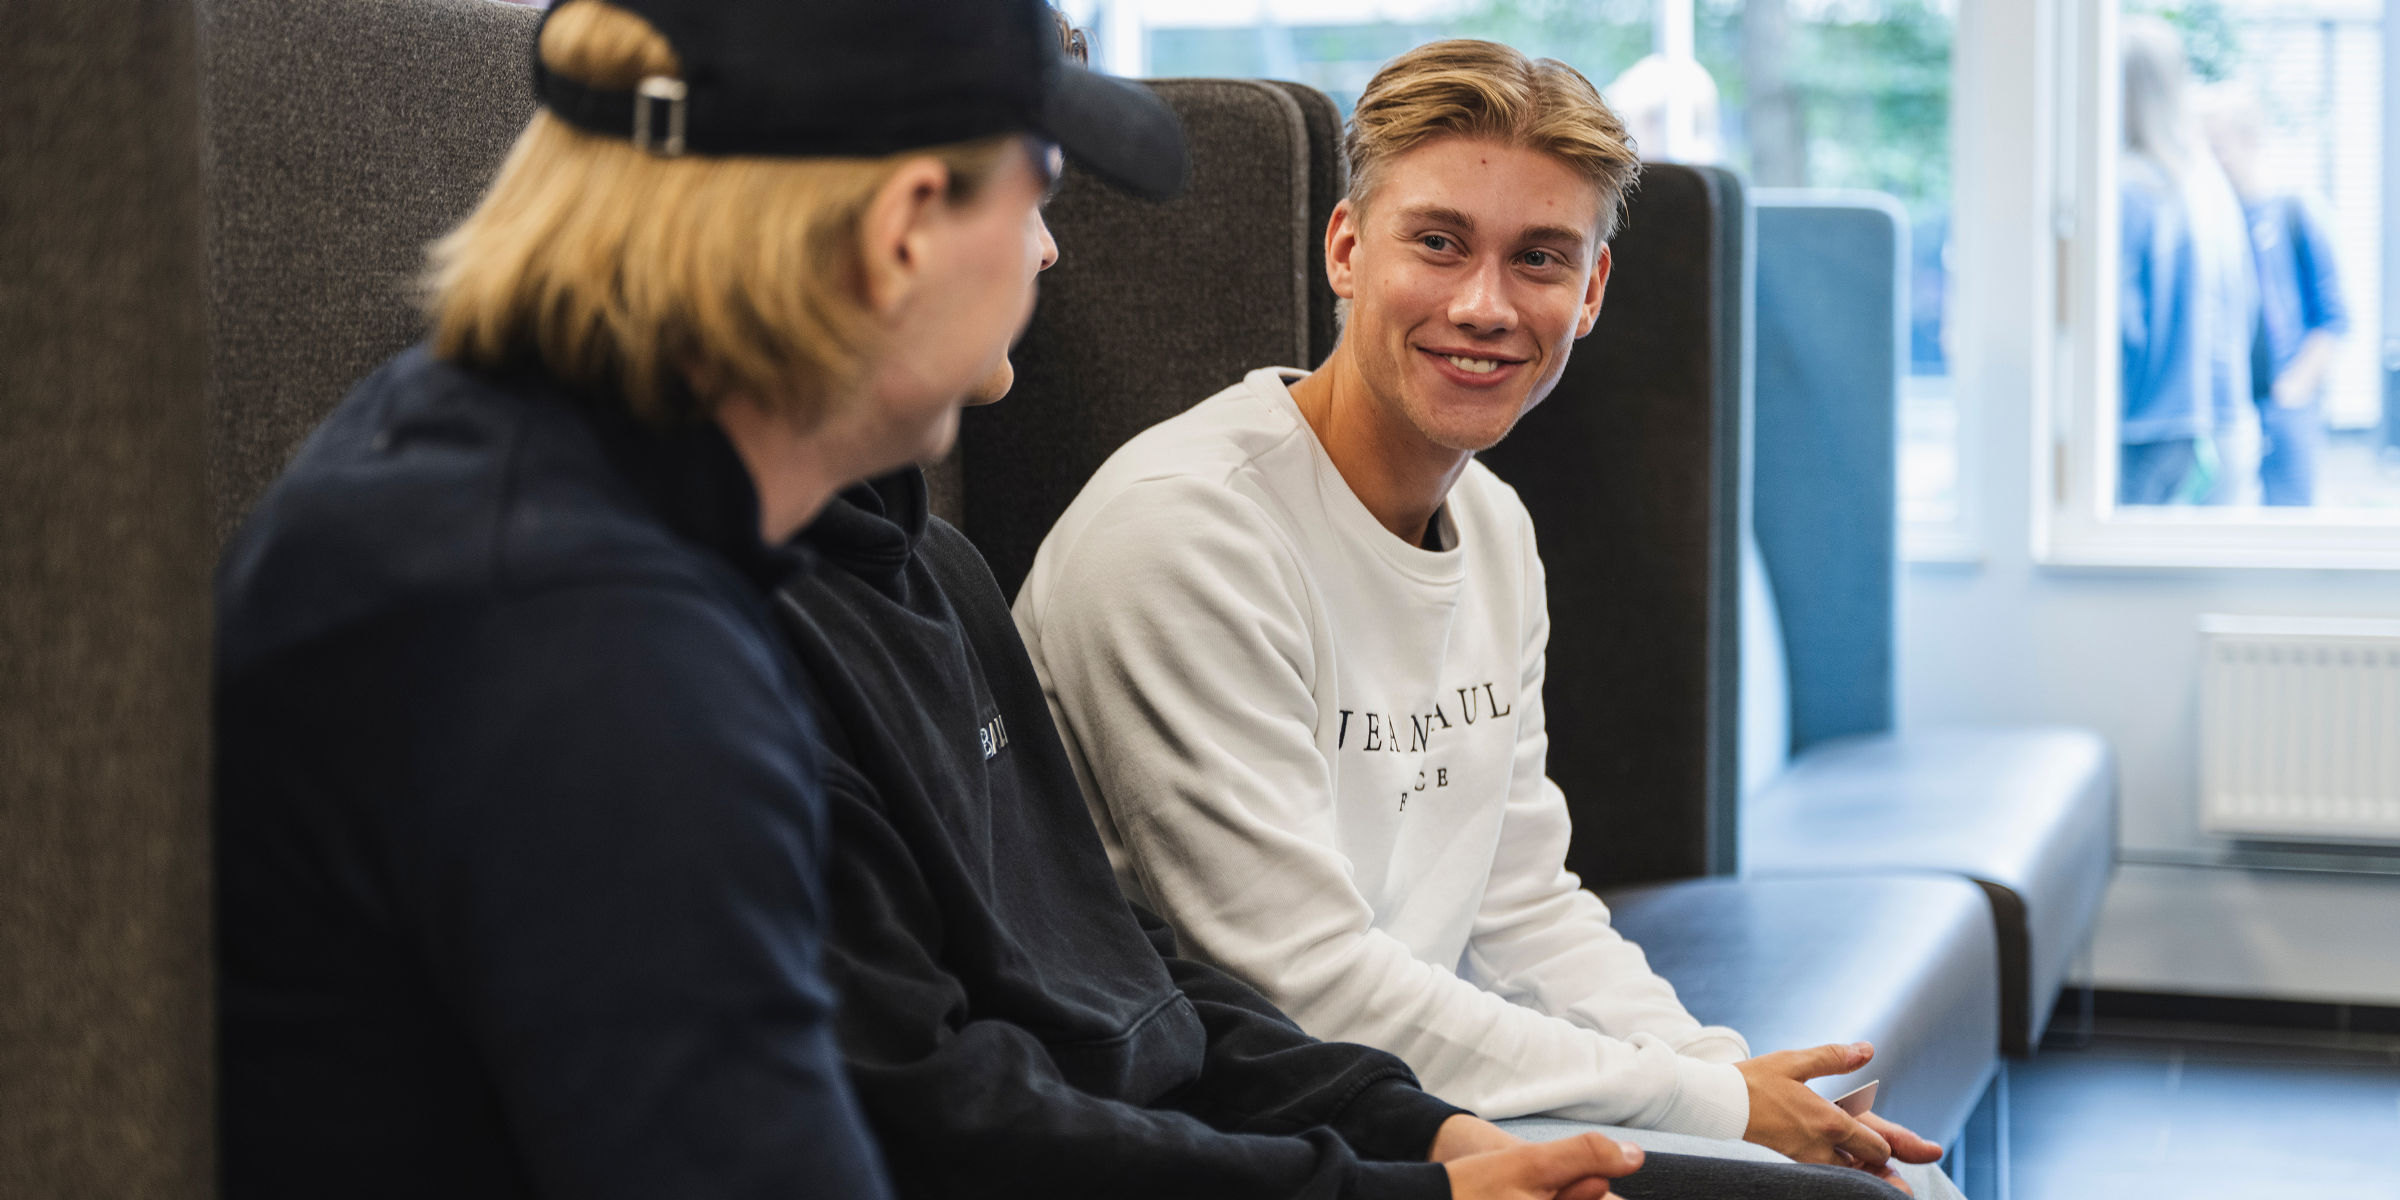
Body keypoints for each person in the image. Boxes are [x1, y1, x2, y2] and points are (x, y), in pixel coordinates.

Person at [212, 0, 1176, 1194]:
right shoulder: (597, 657)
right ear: (903, 233)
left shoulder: (484, 455)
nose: (1047, 255)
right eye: (1035, 189)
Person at [1014, 39, 1959, 1197]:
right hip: (1252, 1124)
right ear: (1348, 251)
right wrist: (1717, 1104)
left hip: (1420, 1091)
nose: (1485, 305)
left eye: (1540, 259)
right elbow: (1305, 987)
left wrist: (1730, 1077)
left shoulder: (1497, 529)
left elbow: (1520, 904)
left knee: (1886, 1183)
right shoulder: (1186, 534)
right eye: (1439, 242)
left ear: (1594, 293)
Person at [2120, 16, 2258, 506]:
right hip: (2219, 418)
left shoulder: (2129, 189)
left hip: (2143, 426)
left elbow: (2120, 323)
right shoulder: (2207, 185)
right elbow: (2246, 305)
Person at [2204, 83, 2351, 508]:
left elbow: (2334, 316)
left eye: (2219, 146)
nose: (2213, 160)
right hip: (2230, 411)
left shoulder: (2295, 211)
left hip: (2285, 408)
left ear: (2250, 141)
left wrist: (2294, 389)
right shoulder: (2213, 221)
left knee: (2288, 529)